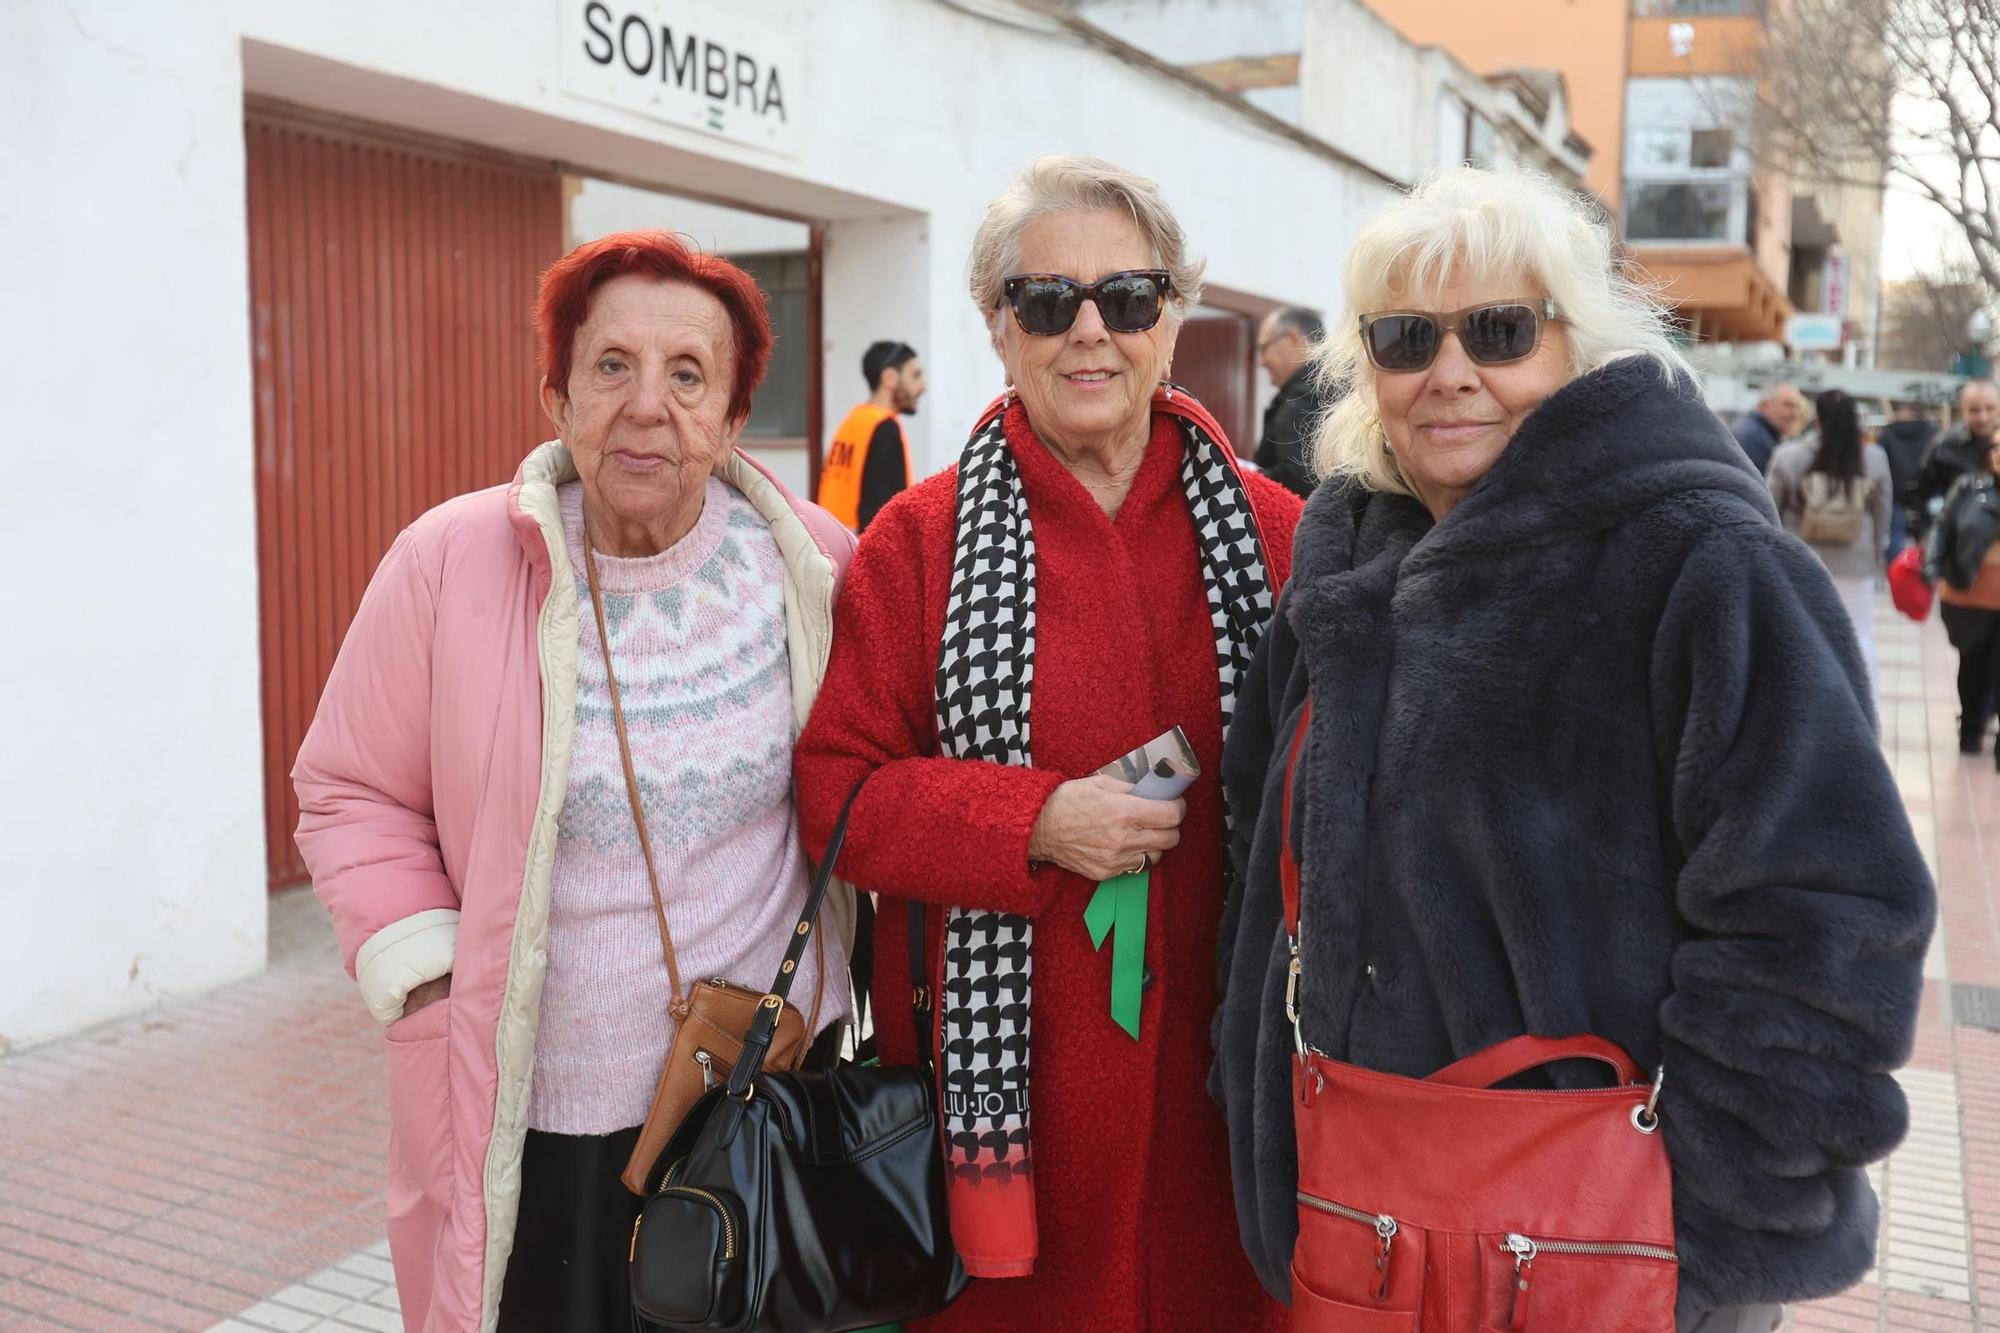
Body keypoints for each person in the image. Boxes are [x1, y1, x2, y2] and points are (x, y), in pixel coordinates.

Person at [1213, 168, 1932, 1333]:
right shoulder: (1341, 571)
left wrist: (1702, 1220)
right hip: (1370, 1226)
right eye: (1404, 338)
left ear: (1575, 344)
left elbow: (1826, 918)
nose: (1449, 373)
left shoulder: (1696, 561)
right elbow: (1261, 871)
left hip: (1608, 1256)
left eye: (1497, 331)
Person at [293, 230, 859, 1333]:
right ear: (555, 395)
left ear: (735, 415)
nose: (647, 405)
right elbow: (349, 786)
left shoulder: (814, 564)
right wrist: (427, 973)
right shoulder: (450, 562)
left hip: (759, 1103)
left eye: (688, 374)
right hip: (537, 1116)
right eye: (611, 366)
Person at [795, 155, 1303, 1332]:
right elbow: (836, 796)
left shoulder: (1279, 533)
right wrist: (1031, 821)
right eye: (1044, 301)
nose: (1090, 331)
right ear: (995, 325)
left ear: (1171, 318)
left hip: (1223, 1119)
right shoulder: (916, 544)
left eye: (1126, 298)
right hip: (1001, 1125)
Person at [1768, 388, 1893, 695]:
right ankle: (1864, 701)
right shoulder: (1874, 458)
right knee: (1858, 633)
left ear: (1818, 419)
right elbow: (1882, 513)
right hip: (1857, 559)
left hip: (1801, 558)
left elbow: (1769, 508)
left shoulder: (1789, 455)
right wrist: (1878, 557)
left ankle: (1803, 696)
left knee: (1801, 631)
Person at [1925, 433, 2000, 759]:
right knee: (1973, 668)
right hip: (1970, 594)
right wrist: (1934, 569)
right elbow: (1943, 527)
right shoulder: (1969, 487)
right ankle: (1970, 730)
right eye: (1996, 446)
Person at [820, 339, 925, 532]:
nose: (923, 386)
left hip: (833, 543)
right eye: (915, 375)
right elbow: (886, 513)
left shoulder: (853, 420)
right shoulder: (886, 428)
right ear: (889, 378)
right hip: (861, 550)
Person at [1254, 305, 1335, 496]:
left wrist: (1248, 477)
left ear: (1292, 339)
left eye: (1264, 348)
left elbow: (1297, 477)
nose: (1261, 361)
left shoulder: (1305, 396)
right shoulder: (1338, 386)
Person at [1914, 379, 2000, 538]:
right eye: (1974, 410)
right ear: (1963, 410)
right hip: (1959, 544)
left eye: (1990, 408)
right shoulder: (1944, 445)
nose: (1983, 417)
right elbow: (1917, 496)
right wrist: (1925, 536)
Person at [1878, 398, 1940, 550]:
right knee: (1928, 539)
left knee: (1895, 537)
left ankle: (1895, 570)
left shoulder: (1887, 433)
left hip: (1895, 493)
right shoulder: (1934, 433)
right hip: (1925, 493)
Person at [1730, 380, 1805, 474]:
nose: (1795, 413)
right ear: (1765, 405)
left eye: (1798, 407)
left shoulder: (1761, 432)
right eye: (1788, 405)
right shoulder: (1754, 438)